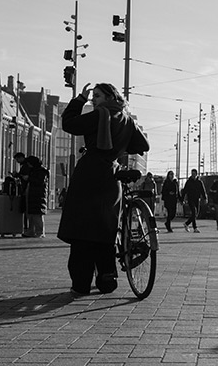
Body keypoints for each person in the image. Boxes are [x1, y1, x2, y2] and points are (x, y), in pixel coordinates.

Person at [57, 82, 149, 294]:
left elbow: (69, 124)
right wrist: (121, 147)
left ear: (108, 97)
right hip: (111, 177)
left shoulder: (100, 115)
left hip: (89, 174)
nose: (94, 100)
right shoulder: (127, 120)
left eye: (97, 96)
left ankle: (81, 284)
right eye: (92, 97)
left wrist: (79, 99)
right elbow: (143, 146)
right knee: (104, 229)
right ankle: (107, 278)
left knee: (82, 230)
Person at [23, 156, 49, 238]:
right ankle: (31, 231)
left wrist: (29, 178)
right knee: (31, 214)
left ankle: (40, 232)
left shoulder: (42, 171)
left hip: (38, 195)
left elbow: (39, 182)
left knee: (37, 214)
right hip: (33, 194)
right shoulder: (34, 170)